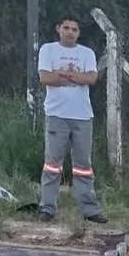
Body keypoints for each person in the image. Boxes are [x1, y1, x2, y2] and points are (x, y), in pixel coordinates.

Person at [37, 14, 107, 224]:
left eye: (74, 29)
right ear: (58, 29)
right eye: (66, 28)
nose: (70, 32)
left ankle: (90, 210)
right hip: (56, 115)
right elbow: (45, 78)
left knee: (83, 165)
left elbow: (91, 78)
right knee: (52, 164)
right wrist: (76, 77)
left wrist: (61, 74)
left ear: (79, 33)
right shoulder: (48, 50)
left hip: (82, 117)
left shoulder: (86, 53)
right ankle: (47, 209)